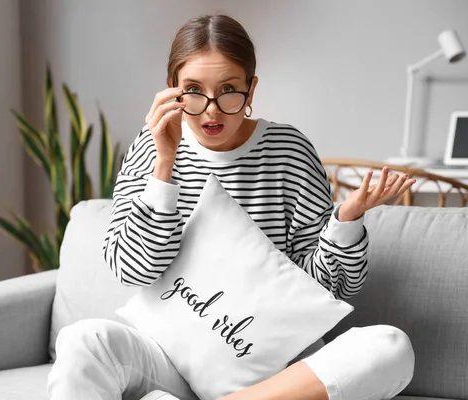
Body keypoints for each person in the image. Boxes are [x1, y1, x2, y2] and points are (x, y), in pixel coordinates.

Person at [48, 13, 417, 400]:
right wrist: (164, 165)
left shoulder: (288, 151)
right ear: (172, 89)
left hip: (273, 369)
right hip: (166, 357)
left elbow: (330, 288)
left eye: (228, 89)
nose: (211, 109)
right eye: (193, 89)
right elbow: (133, 271)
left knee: (390, 347)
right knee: (82, 342)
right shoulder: (151, 146)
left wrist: (345, 221)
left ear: (251, 88)